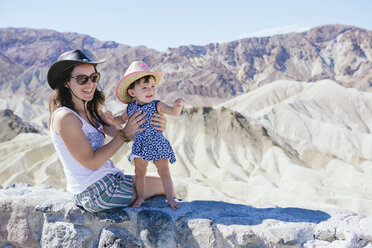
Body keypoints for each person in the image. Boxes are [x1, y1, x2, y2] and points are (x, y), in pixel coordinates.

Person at [47, 49, 168, 213]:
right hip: (96, 192)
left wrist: (155, 125)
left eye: (93, 77)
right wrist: (125, 134)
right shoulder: (65, 118)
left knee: (161, 180)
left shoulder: (90, 110)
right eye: (82, 79)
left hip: (105, 181)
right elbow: (92, 162)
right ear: (66, 82)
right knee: (164, 184)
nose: (90, 84)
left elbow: (124, 132)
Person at [105, 61, 183, 210]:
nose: (150, 90)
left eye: (153, 86)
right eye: (144, 87)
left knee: (164, 171)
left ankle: (171, 198)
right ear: (132, 93)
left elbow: (172, 112)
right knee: (139, 172)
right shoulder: (131, 108)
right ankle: (140, 197)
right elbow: (121, 120)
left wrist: (177, 107)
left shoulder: (157, 105)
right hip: (140, 143)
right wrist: (111, 119)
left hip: (157, 142)